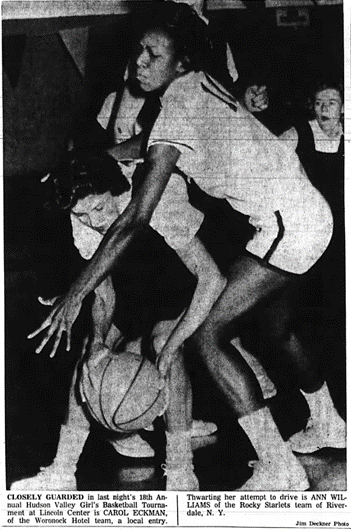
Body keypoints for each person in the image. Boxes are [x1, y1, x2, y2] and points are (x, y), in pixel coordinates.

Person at [29, 2, 334, 490]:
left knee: (209, 336)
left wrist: (73, 296)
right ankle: (328, 421)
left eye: (152, 53)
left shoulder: (176, 109)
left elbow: (134, 218)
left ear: (181, 62)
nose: (139, 62)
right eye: (138, 52)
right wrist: (89, 161)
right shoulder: (193, 88)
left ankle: (280, 467)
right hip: (301, 209)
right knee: (276, 328)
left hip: (288, 223)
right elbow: (147, 144)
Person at [13, 152, 223, 491]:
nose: (93, 220)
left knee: (163, 343)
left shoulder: (160, 195)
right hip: (139, 282)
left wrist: (173, 343)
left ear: (116, 189)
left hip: (188, 286)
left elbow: (210, 279)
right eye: (82, 215)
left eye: (98, 208)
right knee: (90, 356)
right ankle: (62, 472)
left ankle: (182, 470)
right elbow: (105, 291)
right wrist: (97, 340)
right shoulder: (80, 217)